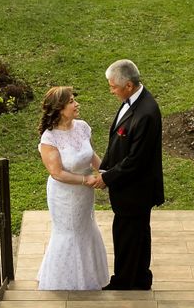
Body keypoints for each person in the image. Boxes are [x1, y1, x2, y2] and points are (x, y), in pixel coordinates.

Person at [93, 59, 164, 291]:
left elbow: (136, 160)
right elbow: (119, 141)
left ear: (129, 85)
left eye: (113, 86)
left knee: (128, 235)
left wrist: (107, 177)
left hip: (136, 189)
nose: (111, 90)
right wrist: (106, 168)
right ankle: (140, 278)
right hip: (130, 188)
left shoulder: (146, 113)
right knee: (135, 235)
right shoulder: (133, 102)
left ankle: (125, 281)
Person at [36, 86, 109, 290]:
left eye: (74, 100)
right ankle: (62, 281)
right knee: (69, 232)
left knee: (85, 229)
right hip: (64, 196)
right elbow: (57, 172)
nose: (76, 104)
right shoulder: (49, 138)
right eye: (71, 102)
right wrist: (87, 180)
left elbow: (91, 155)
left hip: (84, 195)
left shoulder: (82, 127)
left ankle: (87, 277)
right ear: (59, 108)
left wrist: (105, 174)